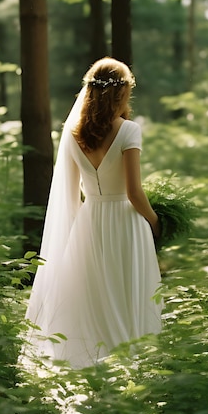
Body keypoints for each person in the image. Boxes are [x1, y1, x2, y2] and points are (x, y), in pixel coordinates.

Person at [22, 57, 163, 368]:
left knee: (94, 294)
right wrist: (155, 222)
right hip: (127, 222)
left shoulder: (73, 134)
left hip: (89, 220)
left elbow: (71, 194)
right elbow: (134, 192)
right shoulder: (129, 131)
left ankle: (90, 361)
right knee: (128, 293)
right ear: (121, 92)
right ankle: (131, 364)